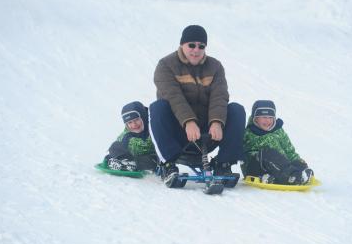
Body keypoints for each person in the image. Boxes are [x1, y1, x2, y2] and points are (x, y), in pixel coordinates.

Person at [149, 25, 246, 187]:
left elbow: (219, 96)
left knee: (236, 110)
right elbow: (173, 97)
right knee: (157, 108)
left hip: (209, 133)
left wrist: (216, 122)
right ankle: (168, 164)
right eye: (191, 45)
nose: (196, 50)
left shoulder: (215, 66)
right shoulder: (166, 65)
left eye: (201, 46)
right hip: (180, 131)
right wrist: (188, 122)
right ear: (182, 44)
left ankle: (224, 164)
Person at [241, 100, 314, 185]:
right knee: (267, 152)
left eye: (270, 118)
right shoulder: (249, 133)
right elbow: (245, 155)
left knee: (298, 163)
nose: (268, 121)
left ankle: (299, 175)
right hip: (255, 168)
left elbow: (289, 151)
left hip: (279, 167)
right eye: (264, 117)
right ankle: (291, 177)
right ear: (256, 118)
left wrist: (300, 164)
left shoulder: (278, 131)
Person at [103, 101, 158, 172]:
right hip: (131, 157)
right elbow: (119, 145)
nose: (134, 125)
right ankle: (123, 163)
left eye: (136, 120)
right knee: (115, 146)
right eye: (130, 122)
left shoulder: (154, 128)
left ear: (143, 117)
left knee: (151, 160)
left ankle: (130, 165)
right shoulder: (127, 134)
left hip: (149, 158)